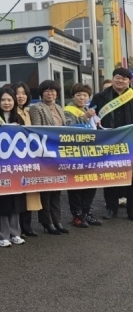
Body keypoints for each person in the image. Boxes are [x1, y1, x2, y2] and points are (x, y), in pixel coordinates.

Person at [0, 88, 27, 247]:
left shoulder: (19, 118)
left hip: (14, 166)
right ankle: (0, 235)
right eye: (3, 100)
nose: (6, 103)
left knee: (15, 200)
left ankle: (15, 233)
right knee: (0, 200)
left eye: (9, 100)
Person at [90, 68, 133, 220]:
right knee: (110, 175)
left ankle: (131, 210)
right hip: (109, 141)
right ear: (113, 78)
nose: (120, 81)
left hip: (131, 141)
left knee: (131, 176)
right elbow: (91, 117)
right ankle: (111, 208)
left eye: (125, 78)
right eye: (118, 77)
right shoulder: (100, 97)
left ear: (129, 81)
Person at [29, 80, 68, 235]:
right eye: (47, 91)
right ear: (41, 93)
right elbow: (38, 129)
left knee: (57, 188)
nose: (50, 93)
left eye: (53, 91)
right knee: (46, 189)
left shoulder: (59, 107)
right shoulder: (36, 108)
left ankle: (57, 220)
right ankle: (47, 222)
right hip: (45, 153)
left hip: (59, 153)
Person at [64, 83, 102, 228]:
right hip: (75, 152)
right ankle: (77, 214)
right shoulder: (68, 110)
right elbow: (67, 126)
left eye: (85, 95)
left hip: (90, 152)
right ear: (73, 96)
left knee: (91, 182)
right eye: (79, 95)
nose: (82, 98)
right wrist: (85, 117)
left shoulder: (89, 109)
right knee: (76, 184)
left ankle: (87, 212)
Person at [11, 82, 42, 237]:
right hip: (16, 159)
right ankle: (18, 227)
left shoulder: (28, 112)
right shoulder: (11, 112)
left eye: (24, 93)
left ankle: (26, 225)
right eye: (17, 93)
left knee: (29, 193)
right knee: (18, 193)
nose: (21, 96)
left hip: (29, 158)